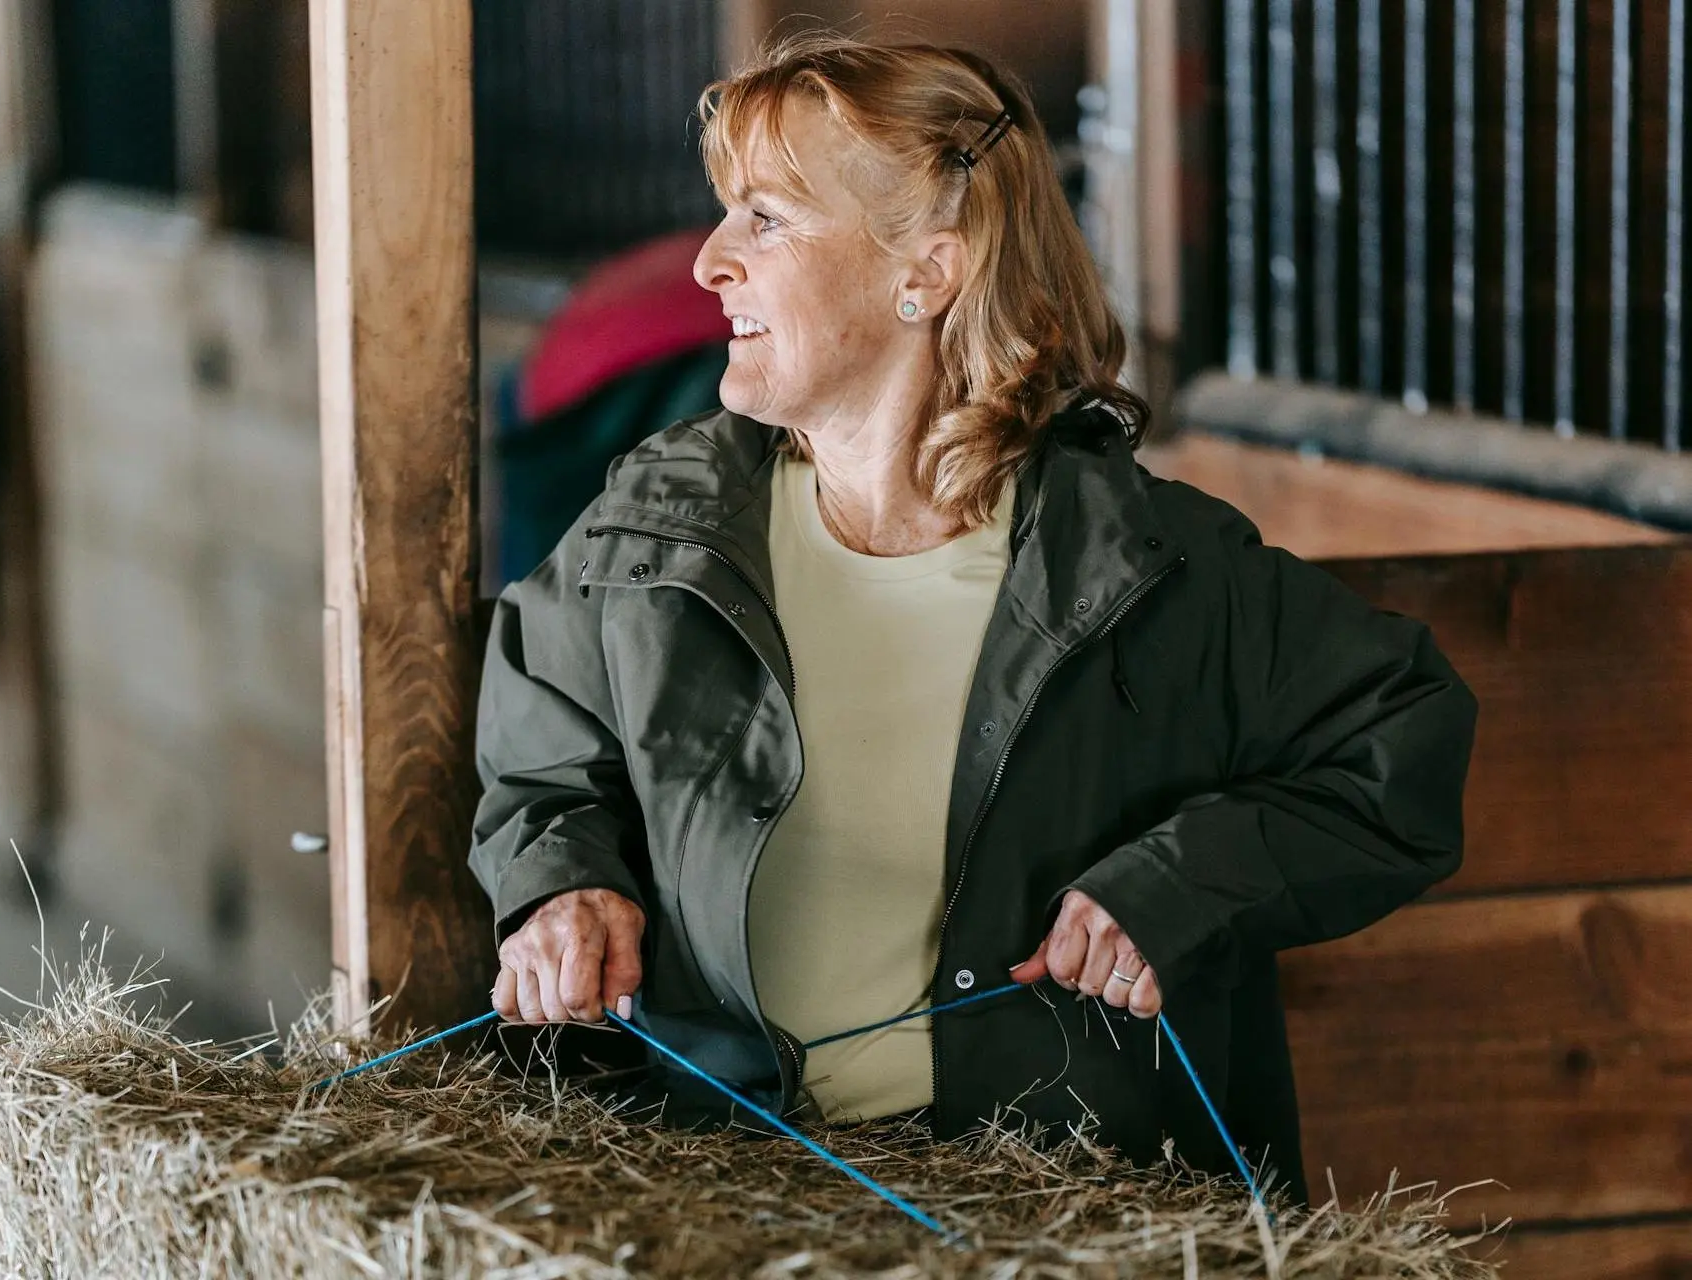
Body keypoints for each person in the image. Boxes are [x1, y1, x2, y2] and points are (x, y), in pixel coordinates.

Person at [468, 35, 1476, 1203]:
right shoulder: (650, 532)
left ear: (928, 272)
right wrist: (564, 884)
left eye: (766, 219)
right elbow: (542, 755)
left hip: (1065, 1207)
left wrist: (1184, 880)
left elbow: (1405, 730)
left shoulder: (1153, 565)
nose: (707, 261)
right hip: (715, 1195)